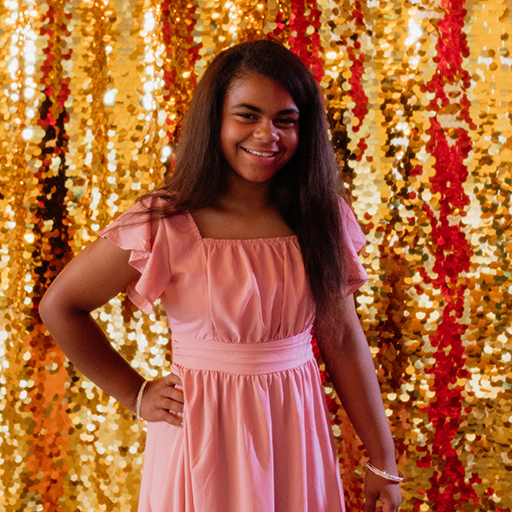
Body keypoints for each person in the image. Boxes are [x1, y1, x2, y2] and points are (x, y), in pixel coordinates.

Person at [40, 40, 403, 512]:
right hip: (201, 432)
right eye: (247, 115)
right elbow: (60, 306)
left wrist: (383, 460)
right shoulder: (165, 221)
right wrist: (135, 394)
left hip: (292, 425)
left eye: (285, 120)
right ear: (215, 119)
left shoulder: (321, 217)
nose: (266, 134)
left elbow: (341, 333)